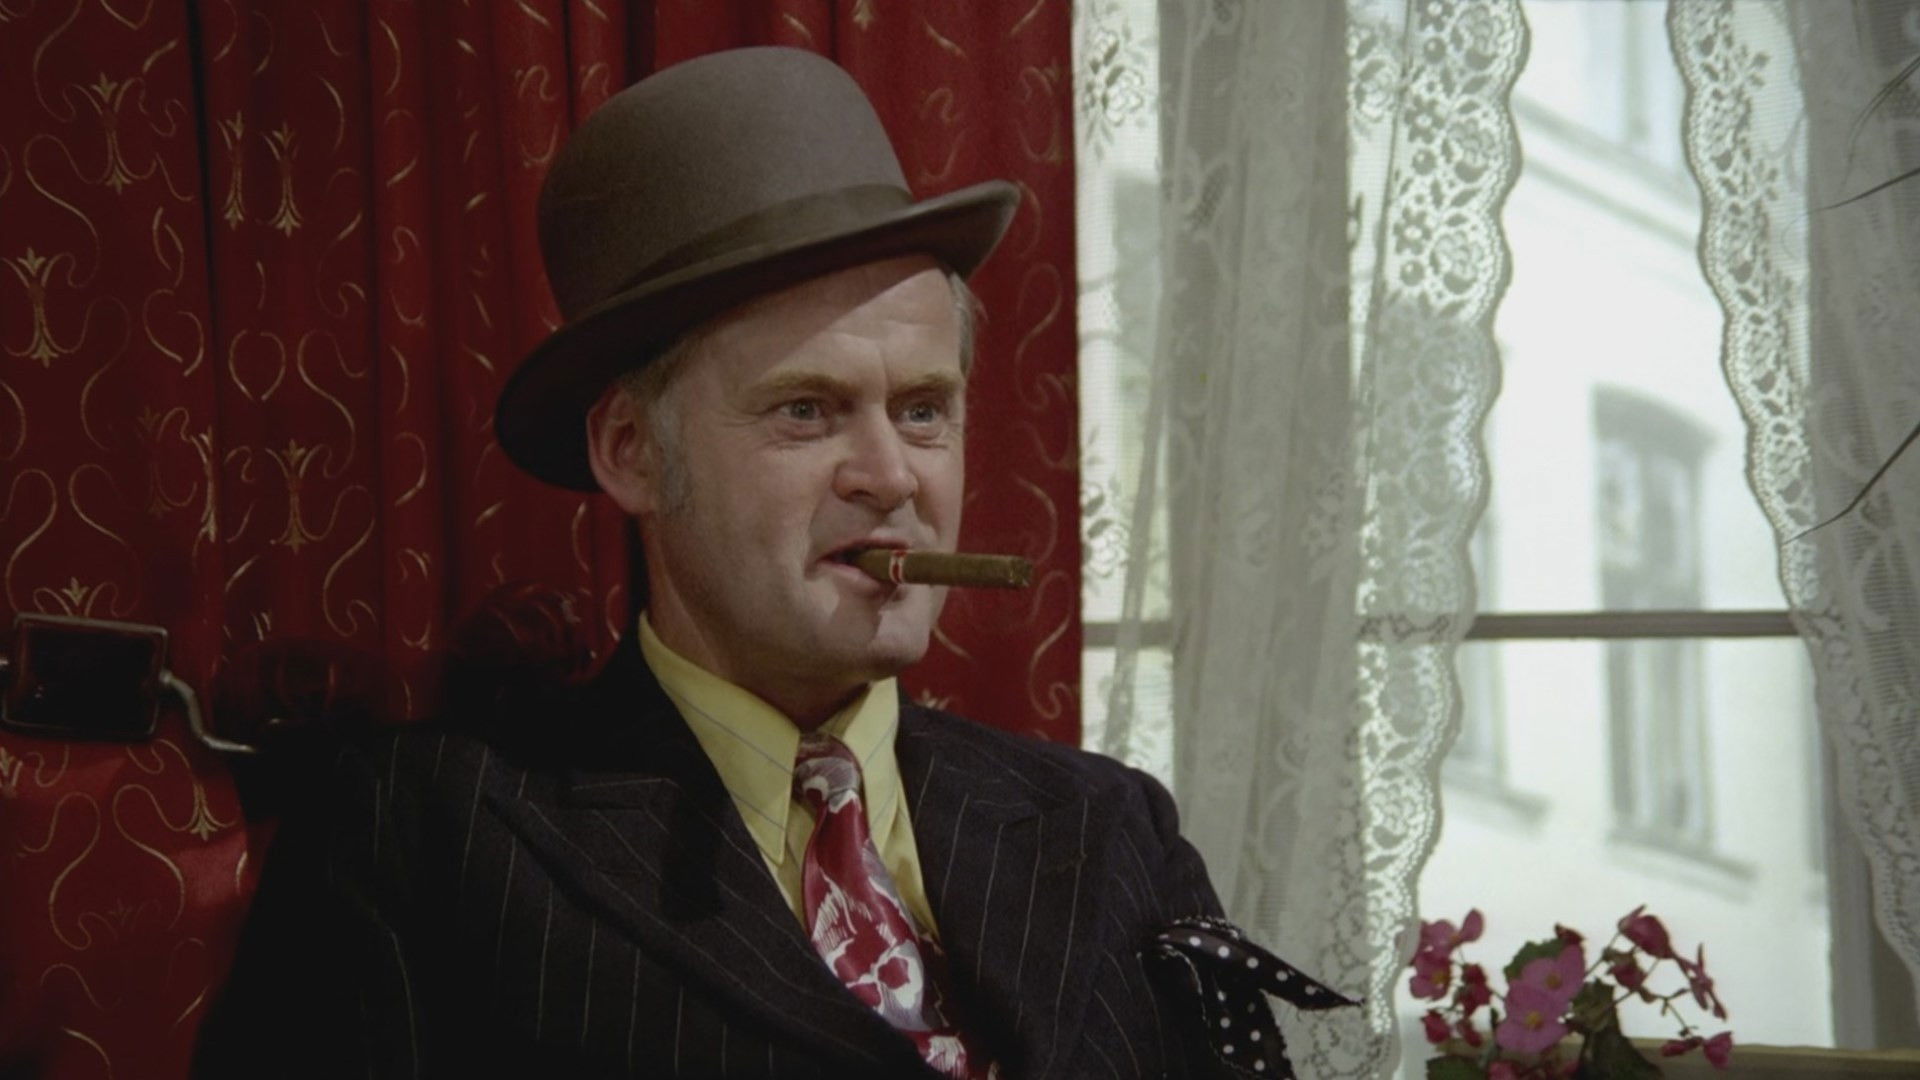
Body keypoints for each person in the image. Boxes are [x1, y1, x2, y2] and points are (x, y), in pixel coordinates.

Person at [196, 47, 1345, 1079]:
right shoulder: (422, 836)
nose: (890, 476)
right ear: (632, 451)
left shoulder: (1110, 827)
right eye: (807, 410)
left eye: (925, 410)